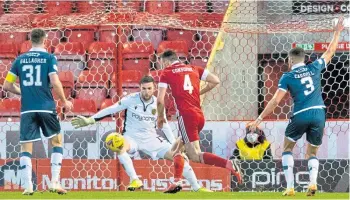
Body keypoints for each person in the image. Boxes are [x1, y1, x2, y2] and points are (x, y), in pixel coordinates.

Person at [248, 17, 345, 197]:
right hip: (319, 112)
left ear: (290, 60)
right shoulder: (315, 67)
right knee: (312, 151)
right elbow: (330, 51)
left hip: (300, 113)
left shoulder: (288, 76)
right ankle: (313, 183)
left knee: (287, 149)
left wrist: (259, 118)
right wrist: (337, 32)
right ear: (304, 59)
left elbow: (276, 101)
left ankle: (290, 187)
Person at [71, 75, 212, 193]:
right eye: (143, 88)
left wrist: (174, 144)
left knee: (178, 156)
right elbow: (111, 109)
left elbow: (164, 126)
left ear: (154, 88)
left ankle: (196, 187)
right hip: (131, 137)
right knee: (119, 145)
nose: (146, 91)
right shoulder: (131, 99)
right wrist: (91, 119)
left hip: (151, 138)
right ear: (140, 88)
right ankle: (135, 180)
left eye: (149, 88)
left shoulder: (158, 104)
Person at [156, 50, 243, 193]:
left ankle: (229, 164)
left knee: (194, 155)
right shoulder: (194, 68)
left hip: (186, 116)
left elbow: (160, 100)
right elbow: (215, 80)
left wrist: (160, 117)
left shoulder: (167, 72)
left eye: (161, 63)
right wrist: (197, 93)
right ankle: (176, 182)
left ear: (165, 62)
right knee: (176, 150)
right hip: (199, 115)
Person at [3, 28, 73, 195]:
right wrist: (64, 101)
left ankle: (28, 186)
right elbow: (55, 82)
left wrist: (24, 91)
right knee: (56, 142)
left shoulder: (19, 60)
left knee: (25, 147)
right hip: (46, 107)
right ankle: (54, 182)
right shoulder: (49, 58)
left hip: (27, 109)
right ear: (45, 40)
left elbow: (6, 85)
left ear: (29, 40)